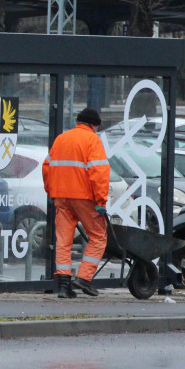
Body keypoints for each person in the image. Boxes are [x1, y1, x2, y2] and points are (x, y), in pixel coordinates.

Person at [42, 107, 110, 298]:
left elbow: (47, 167)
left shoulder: (62, 138)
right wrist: (101, 201)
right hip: (84, 197)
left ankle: (64, 286)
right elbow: (99, 173)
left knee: (63, 241)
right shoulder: (92, 140)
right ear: (94, 125)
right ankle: (84, 278)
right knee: (98, 236)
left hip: (61, 197)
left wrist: (51, 191)